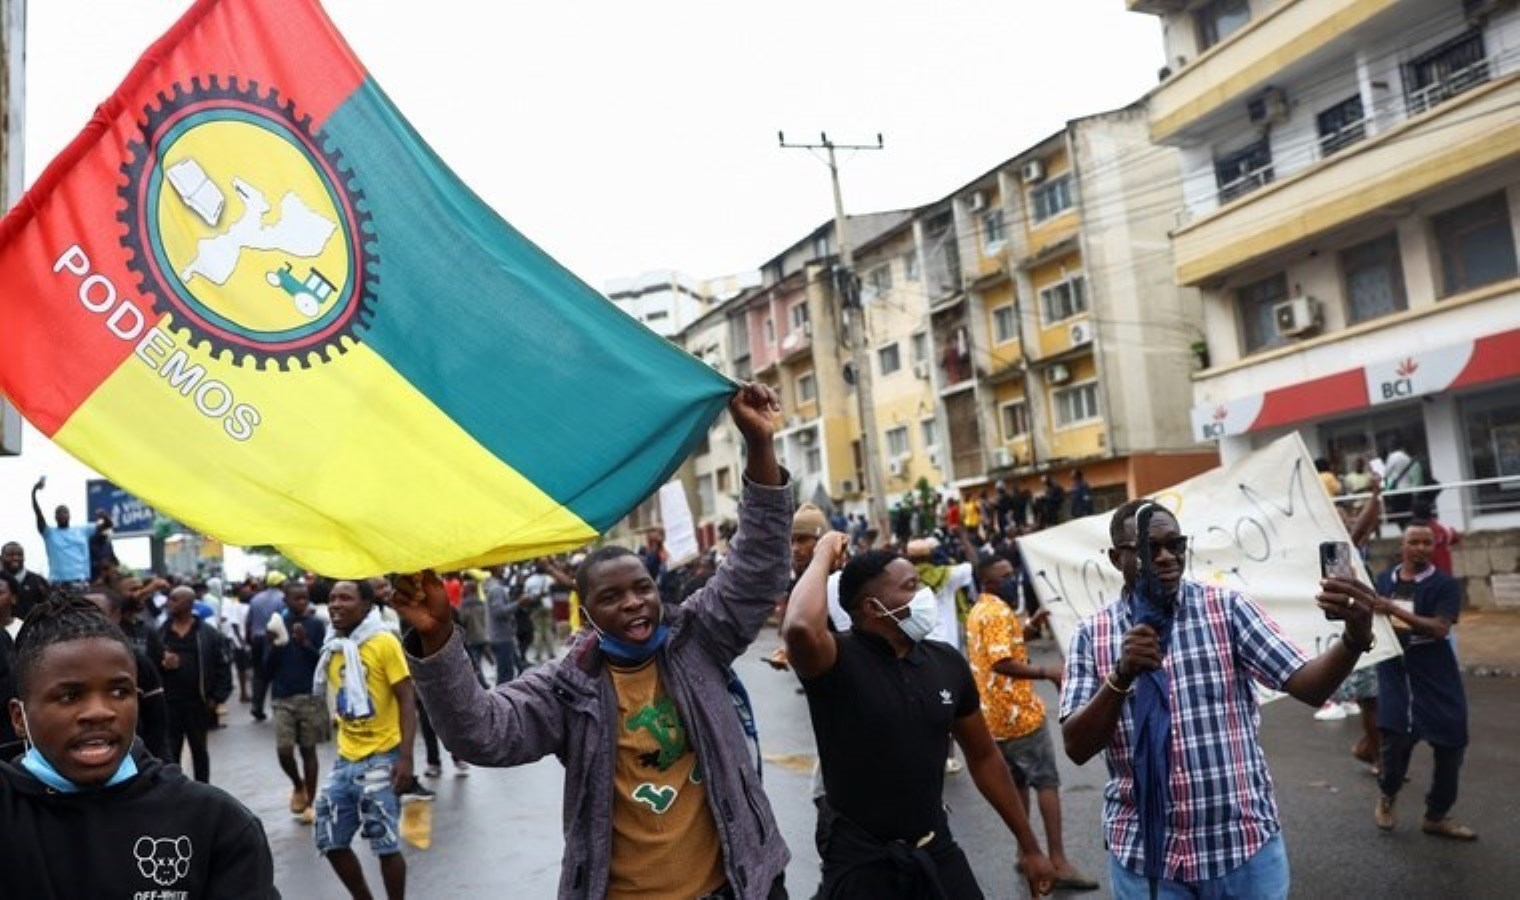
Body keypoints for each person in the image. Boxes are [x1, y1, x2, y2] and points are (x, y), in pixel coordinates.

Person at [391, 383, 792, 899]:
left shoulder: (699, 638)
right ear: (588, 612)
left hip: (740, 886)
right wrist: (440, 638)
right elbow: (480, 733)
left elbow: (757, 565)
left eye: (641, 588)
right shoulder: (567, 686)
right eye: (612, 596)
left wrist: (759, 445)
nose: (632, 603)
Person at [1060, 499, 1377, 898]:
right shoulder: (1092, 635)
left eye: (1175, 545)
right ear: (1115, 558)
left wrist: (1353, 638)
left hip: (1242, 852)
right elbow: (1076, 746)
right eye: (1148, 548)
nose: (1165, 558)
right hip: (1147, 862)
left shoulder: (1227, 610)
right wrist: (1121, 676)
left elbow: (1310, 686)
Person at [783, 535, 1054, 897]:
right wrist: (821, 554)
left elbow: (984, 756)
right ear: (874, 607)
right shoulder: (837, 660)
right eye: (912, 586)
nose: (925, 594)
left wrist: (1031, 846)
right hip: (861, 861)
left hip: (935, 847)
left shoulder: (946, 663)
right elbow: (799, 627)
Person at [1, 595, 276, 897]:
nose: (99, 712)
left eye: (119, 691)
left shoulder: (214, 822)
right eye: (69, 696)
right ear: (19, 717)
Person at [966, 554, 1097, 891]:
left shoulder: (982, 609)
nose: (1014, 579)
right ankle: (1058, 861)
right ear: (990, 582)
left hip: (992, 717)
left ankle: (1024, 851)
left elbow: (1001, 643)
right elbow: (1002, 661)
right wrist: (1046, 671)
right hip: (1019, 714)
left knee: (1018, 783)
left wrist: (1030, 624)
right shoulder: (997, 611)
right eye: (1006, 575)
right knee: (1046, 783)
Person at [313, 577, 418, 900]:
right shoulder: (333, 646)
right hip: (346, 759)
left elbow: (406, 698)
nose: (336, 604)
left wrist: (405, 758)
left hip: (382, 758)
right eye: (332, 598)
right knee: (329, 838)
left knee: (384, 843)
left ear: (367, 605)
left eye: (345, 598)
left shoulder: (384, 641)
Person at [1370, 521, 1475, 840]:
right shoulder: (1383, 580)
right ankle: (1387, 796)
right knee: (1396, 741)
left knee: (1451, 744)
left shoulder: (1444, 585)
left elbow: (1440, 628)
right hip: (1395, 669)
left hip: (1435, 670)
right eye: (1414, 542)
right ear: (1402, 546)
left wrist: (1392, 610)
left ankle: (1437, 815)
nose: (1421, 548)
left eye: (1427, 543)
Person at [265, 578, 329, 824]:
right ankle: (297, 783)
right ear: (286, 600)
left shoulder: (315, 625)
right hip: (283, 696)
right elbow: (265, 669)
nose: (301, 602)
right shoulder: (277, 625)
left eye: (305, 598)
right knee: (284, 750)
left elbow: (322, 662)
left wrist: (305, 644)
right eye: (296, 598)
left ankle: (309, 801)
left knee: (308, 750)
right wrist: (274, 646)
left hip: (309, 696)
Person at [83, 589, 172, 761]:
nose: (89, 621)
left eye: (96, 613)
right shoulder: (64, 665)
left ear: (115, 615)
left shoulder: (137, 662)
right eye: (82, 614)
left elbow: (157, 722)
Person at [156, 586, 232, 783]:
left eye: (174, 600)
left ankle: (202, 790)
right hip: (169, 704)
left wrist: (216, 698)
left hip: (198, 703)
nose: (169, 603)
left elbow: (222, 666)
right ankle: (174, 791)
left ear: (188, 604)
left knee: (199, 750)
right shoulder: (161, 633)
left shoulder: (208, 634)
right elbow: (149, 664)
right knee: (171, 752)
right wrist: (161, 662)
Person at [30, 476, 105, 584]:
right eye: (58, 513)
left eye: (64, 512)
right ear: (55, 517)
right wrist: (34, 492)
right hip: (58, 583)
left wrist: (104, 516)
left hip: (81, 582)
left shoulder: (83, 530)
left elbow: (107, 525)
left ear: (69, 515)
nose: (62, 515)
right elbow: (38, 514)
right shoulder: (49, 533)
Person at [246, 572, 288, 721]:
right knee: (277, 672)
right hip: (274, 639)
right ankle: (278, 708)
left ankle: (256, 706)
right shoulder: (283, 599)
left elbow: (249, 622)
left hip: (256, 639)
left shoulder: (256, 598)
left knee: (259, 675)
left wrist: (248, 640)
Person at [1, 541, 50, 620]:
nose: (16, 558)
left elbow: (49, 608)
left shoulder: (38, 581)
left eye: (19, 555)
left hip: (33, 630)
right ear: (1, 557)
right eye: (10, 555)